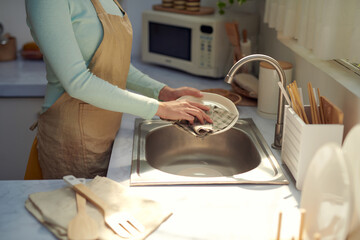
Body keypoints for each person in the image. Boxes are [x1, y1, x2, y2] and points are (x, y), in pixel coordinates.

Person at [25, 0, 212, 179]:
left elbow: (115, 64)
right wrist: (159, 108)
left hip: (108, 132)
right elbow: (77, 81)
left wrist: (163, 92)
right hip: (72, 140)